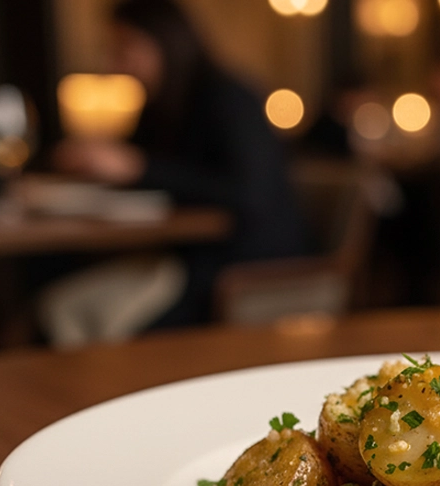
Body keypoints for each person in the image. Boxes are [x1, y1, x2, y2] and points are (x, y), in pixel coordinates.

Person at [51, 0, 309, 328]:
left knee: (76, 310)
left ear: (165, 41)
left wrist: (138, 168)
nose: (115, 64)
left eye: (125, 48)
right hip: (184, 255)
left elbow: (249, 193)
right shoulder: (159, 104)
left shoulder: (228, 97)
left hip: (244, 263)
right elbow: (141, 166)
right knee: (60, 292)